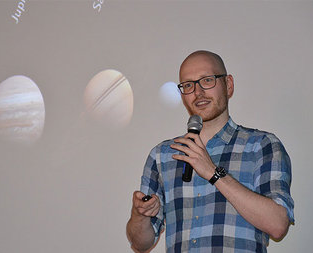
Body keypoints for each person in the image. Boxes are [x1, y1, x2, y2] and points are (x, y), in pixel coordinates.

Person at [126, 50, 294, 253]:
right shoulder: (162, 155)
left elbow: (278, 225)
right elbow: (140, 243)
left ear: (228, 85)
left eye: (207, 80)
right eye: (188, 85)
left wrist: (214, 173)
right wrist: (140, 215)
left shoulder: (262, 146)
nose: (197, 92)